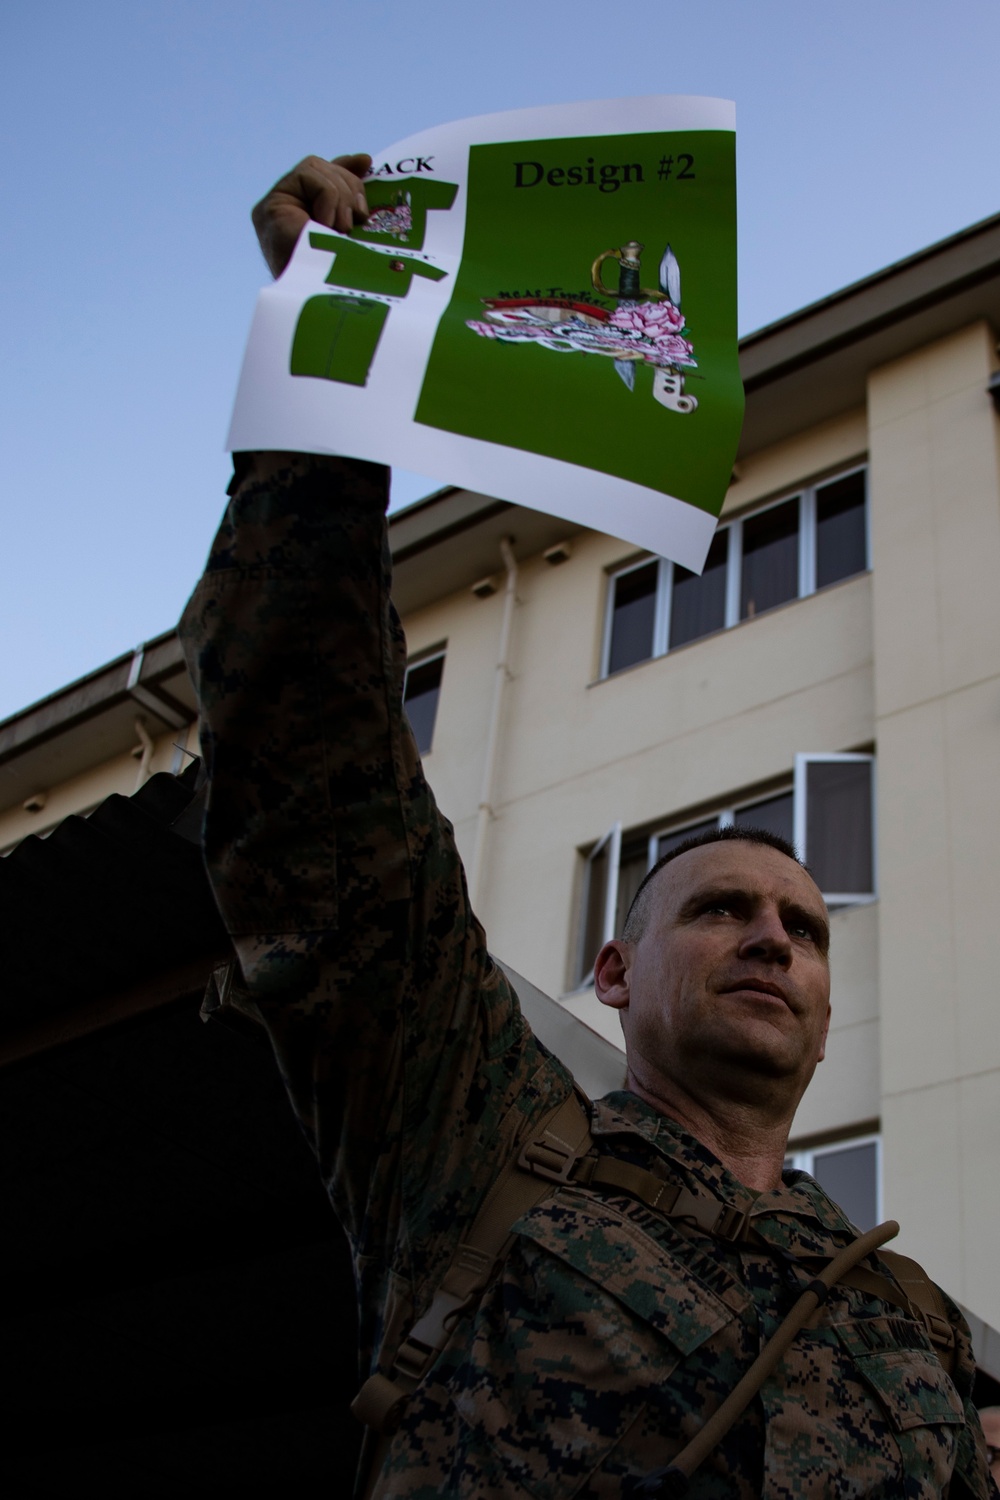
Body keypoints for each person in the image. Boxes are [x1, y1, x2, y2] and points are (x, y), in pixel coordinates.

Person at [179, 154, 994, 1498]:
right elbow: (311, 776)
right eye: (721, 909)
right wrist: (331, 372)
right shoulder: (478, 1143)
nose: (774, 940)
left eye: (803, 927)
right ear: (613, 974)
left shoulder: (907, 1323)